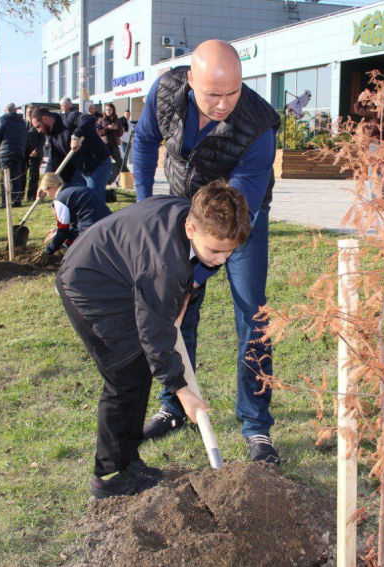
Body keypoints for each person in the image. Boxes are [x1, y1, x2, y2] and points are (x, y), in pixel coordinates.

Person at [131, 40, 281, 464]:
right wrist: (146, 206)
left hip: (241, 217)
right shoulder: (164, 92)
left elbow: (231, 225)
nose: (223, 104)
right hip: (186, 210)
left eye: (232, 93)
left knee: (253, 313)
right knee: (182, 314)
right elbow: (143, 145)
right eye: (213, 94)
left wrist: (192, 278)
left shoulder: (257, 126)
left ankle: (256, 427)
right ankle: (175, 405)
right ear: (189, 80)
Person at [56, 180, 250, 498]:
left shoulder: (188, 218)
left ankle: (128, 461)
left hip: (118, 271)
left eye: (230, 251)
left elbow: (165, 307)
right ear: (190, 229)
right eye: (215, 250)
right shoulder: (165, 265)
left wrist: (183, 296)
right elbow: (155, 333)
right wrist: (182, 392)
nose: (222, 260)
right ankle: (108, 476)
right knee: (124, 376)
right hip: (89, 286)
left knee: (137, 371)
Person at [30, 106, 112, 200]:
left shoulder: (67, 118)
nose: (38, 130)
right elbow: (53, 161)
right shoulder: (52, 136)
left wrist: (76, 136)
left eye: (38, 126)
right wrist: (43, 185)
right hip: (82, 170)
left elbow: (89, 119)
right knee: (73, 198)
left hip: (98, 164)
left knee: (94, 201)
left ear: (45, 118)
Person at [35, 172, 111, 257]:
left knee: (66, 242)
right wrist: (57, 229)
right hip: (108, 221)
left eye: (46, 192)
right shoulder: (73, 187)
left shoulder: (60, 200)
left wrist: (49, 250)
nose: (48, 195)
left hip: (92, 230)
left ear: (52, 188)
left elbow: (63, 232)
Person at [0, 102, 28, 207]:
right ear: (15, 110)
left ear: (5, 110)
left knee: (5, 178)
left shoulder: (3, 119)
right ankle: (17, 201)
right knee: (16, 178)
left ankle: (6, 201)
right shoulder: (22, 122)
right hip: (19, 152)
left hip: (6, 152)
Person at [23, 107, 45, 203]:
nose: (29, 113)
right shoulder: (22, 124)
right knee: (22, 175)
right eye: (28, 112)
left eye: (31, 112)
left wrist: (37, 149)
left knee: (33, 175)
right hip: (24, 154)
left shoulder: (38, 125)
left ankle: (31, 196)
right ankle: (20, 195)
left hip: (35, 154)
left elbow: (42, 139)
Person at [99, 104, 124, 185]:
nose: (108, 111)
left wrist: (116, 128)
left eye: (110, 109)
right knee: (104, 162)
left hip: (114, 144)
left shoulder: (117, 120)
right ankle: (105, 180)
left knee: (119, 162)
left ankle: (114, 179)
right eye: (106, 110)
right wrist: (107, 128)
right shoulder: (101, 120)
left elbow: (120, 133)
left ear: (113, 110)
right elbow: (99, 132)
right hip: (104, 144)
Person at [119, 109, 132, 173]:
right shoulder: (121, 121)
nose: (127, 115)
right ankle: (123, 168)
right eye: (126, 114)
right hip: (122, 141)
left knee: (126, 155)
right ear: (124, 114)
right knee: (125, 155)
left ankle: (123, 168)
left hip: (129, 141)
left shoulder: (130, 123)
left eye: (129, 114)